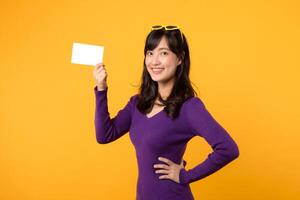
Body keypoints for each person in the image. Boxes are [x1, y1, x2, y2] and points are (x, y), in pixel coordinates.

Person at [92, 25, 239, 200]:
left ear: (180, 58)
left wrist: (185, 176)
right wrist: (101, 88)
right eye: (150, 53)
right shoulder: (137, 104)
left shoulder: (189, 107)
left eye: (163, 53)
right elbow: (105, 135)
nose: (154, 61)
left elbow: (228, 149)